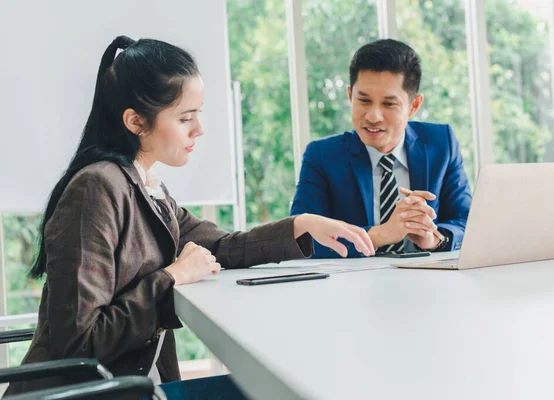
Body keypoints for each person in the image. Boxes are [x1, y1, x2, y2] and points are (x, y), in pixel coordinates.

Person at [5, 36, 374, 397]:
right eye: (185, 118)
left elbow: (220, 245)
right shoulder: (96, 189)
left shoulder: (147, 185)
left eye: (199, 114)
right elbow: (81, 344)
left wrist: (301, 225)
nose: (199, 129)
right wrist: (172, 277)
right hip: (89, 391)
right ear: (135, 121)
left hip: (133, 383)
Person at [291, 39, 472, 258]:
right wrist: (380, 235)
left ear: (413, 106)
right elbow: (300, 239)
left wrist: (433, 238)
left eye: (389, 104)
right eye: (364, 101)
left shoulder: (441, 143)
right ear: (350, 96)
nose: (373, 117)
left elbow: (467, 222)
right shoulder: (321, 156)